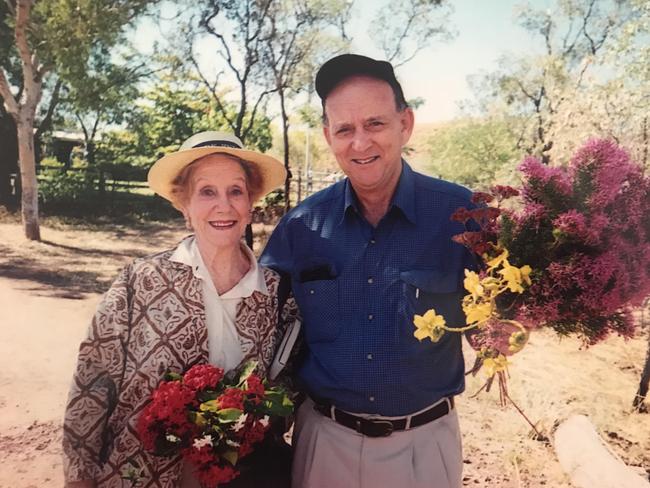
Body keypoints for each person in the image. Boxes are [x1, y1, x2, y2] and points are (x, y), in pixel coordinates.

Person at [260, 54, 477, 488]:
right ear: (328, 136)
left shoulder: (464, 216)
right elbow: (255, 321)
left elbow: (491, 317)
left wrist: (506, 331)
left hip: (426, 447)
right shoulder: (301, 227)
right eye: (344, 129)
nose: (360, 143)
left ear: (405, 124)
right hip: (325, 442)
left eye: (375, 124)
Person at [62, 131, 297, 488]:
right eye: (206, 192)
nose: (224, 205)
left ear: (250, 204)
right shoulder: (138, 283)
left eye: (236, 191)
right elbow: (93, 381)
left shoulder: (277, 296)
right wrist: (78, 477)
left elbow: (288, 388)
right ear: (183, 205)